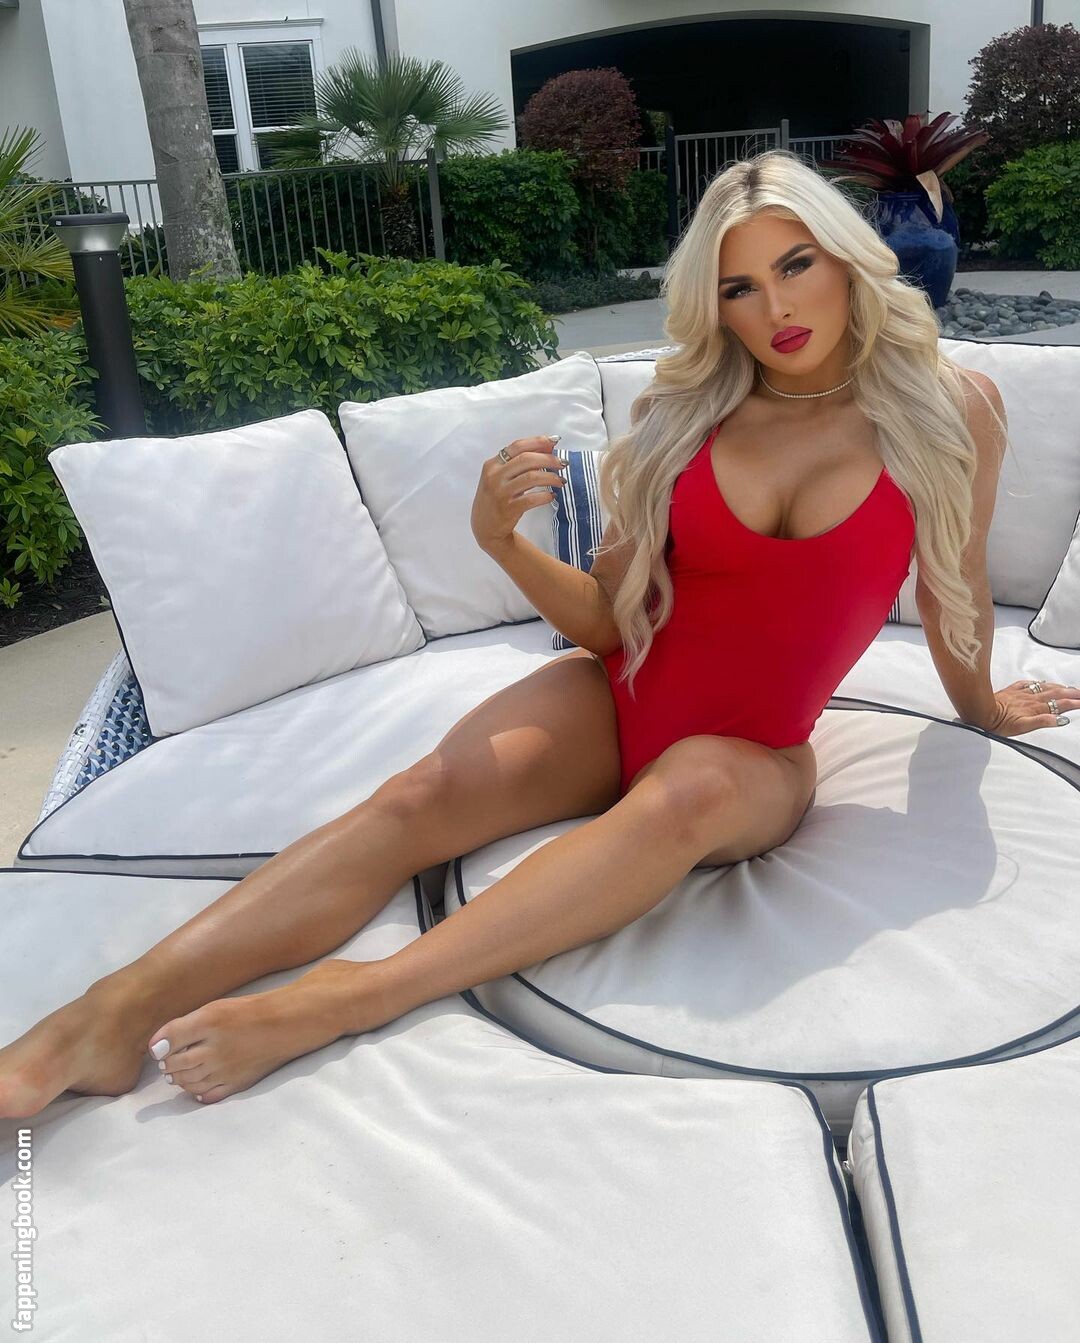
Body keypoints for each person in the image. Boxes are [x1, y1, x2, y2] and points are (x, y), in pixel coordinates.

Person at [2, 148, 1076, 1119]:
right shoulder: (682, 419)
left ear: (845, 259)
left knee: (691, 786)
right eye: (738, 287)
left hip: (753, 759)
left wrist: (982, 707)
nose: (776, 307)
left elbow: (956, 589)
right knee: (414, 799)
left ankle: (353, 995)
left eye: (796, 265)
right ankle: (104, 1015)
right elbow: (610, 621)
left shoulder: (952, 408)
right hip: (620, 696)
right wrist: (500, 543)